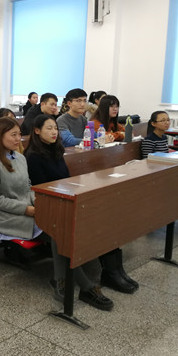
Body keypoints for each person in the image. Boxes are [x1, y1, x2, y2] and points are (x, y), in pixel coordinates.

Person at [24, 115, 115, 309]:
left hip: (63, 201)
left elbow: (65, 179)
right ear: (37, 131)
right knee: (62, 232)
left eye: (55, 128)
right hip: (47, 205)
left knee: (90, 222)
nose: (54, 132)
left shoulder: (56, 150)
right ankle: (85, 286)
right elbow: (41, 189)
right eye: (49, 128)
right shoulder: (32, 156)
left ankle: (95, 276)